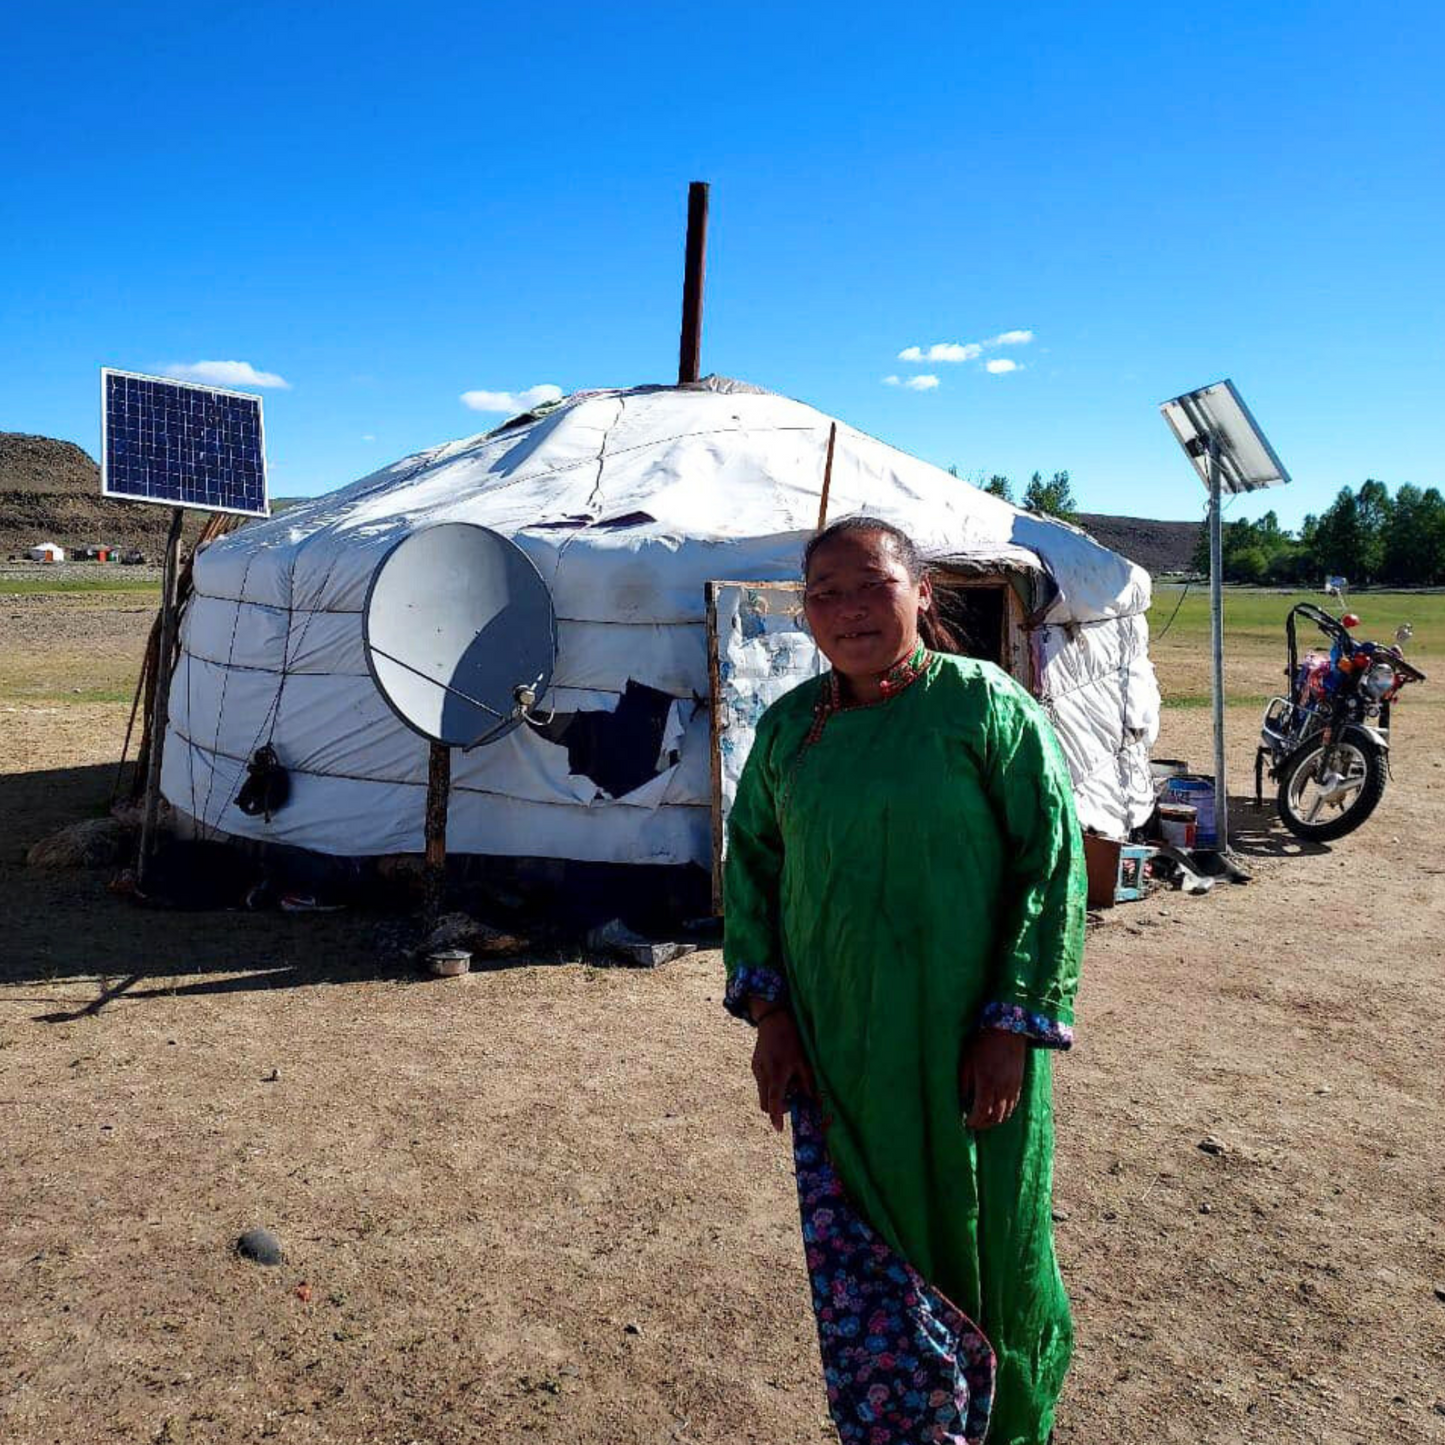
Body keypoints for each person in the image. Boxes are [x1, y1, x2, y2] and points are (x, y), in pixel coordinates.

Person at [723, 516, 1085, 1445]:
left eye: (871, 584)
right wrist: (770, 1016)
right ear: (804, 610)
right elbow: (753, 868)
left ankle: (1003, 1426)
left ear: (921, 592)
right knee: (866, 1249)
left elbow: (1049, 866)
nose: (848, 609)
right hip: (840, 1047)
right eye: (824, 592)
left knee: (987, 1238)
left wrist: (1011, 1025)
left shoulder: (984, 706)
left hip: (967, 1041)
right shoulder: (788, 727)